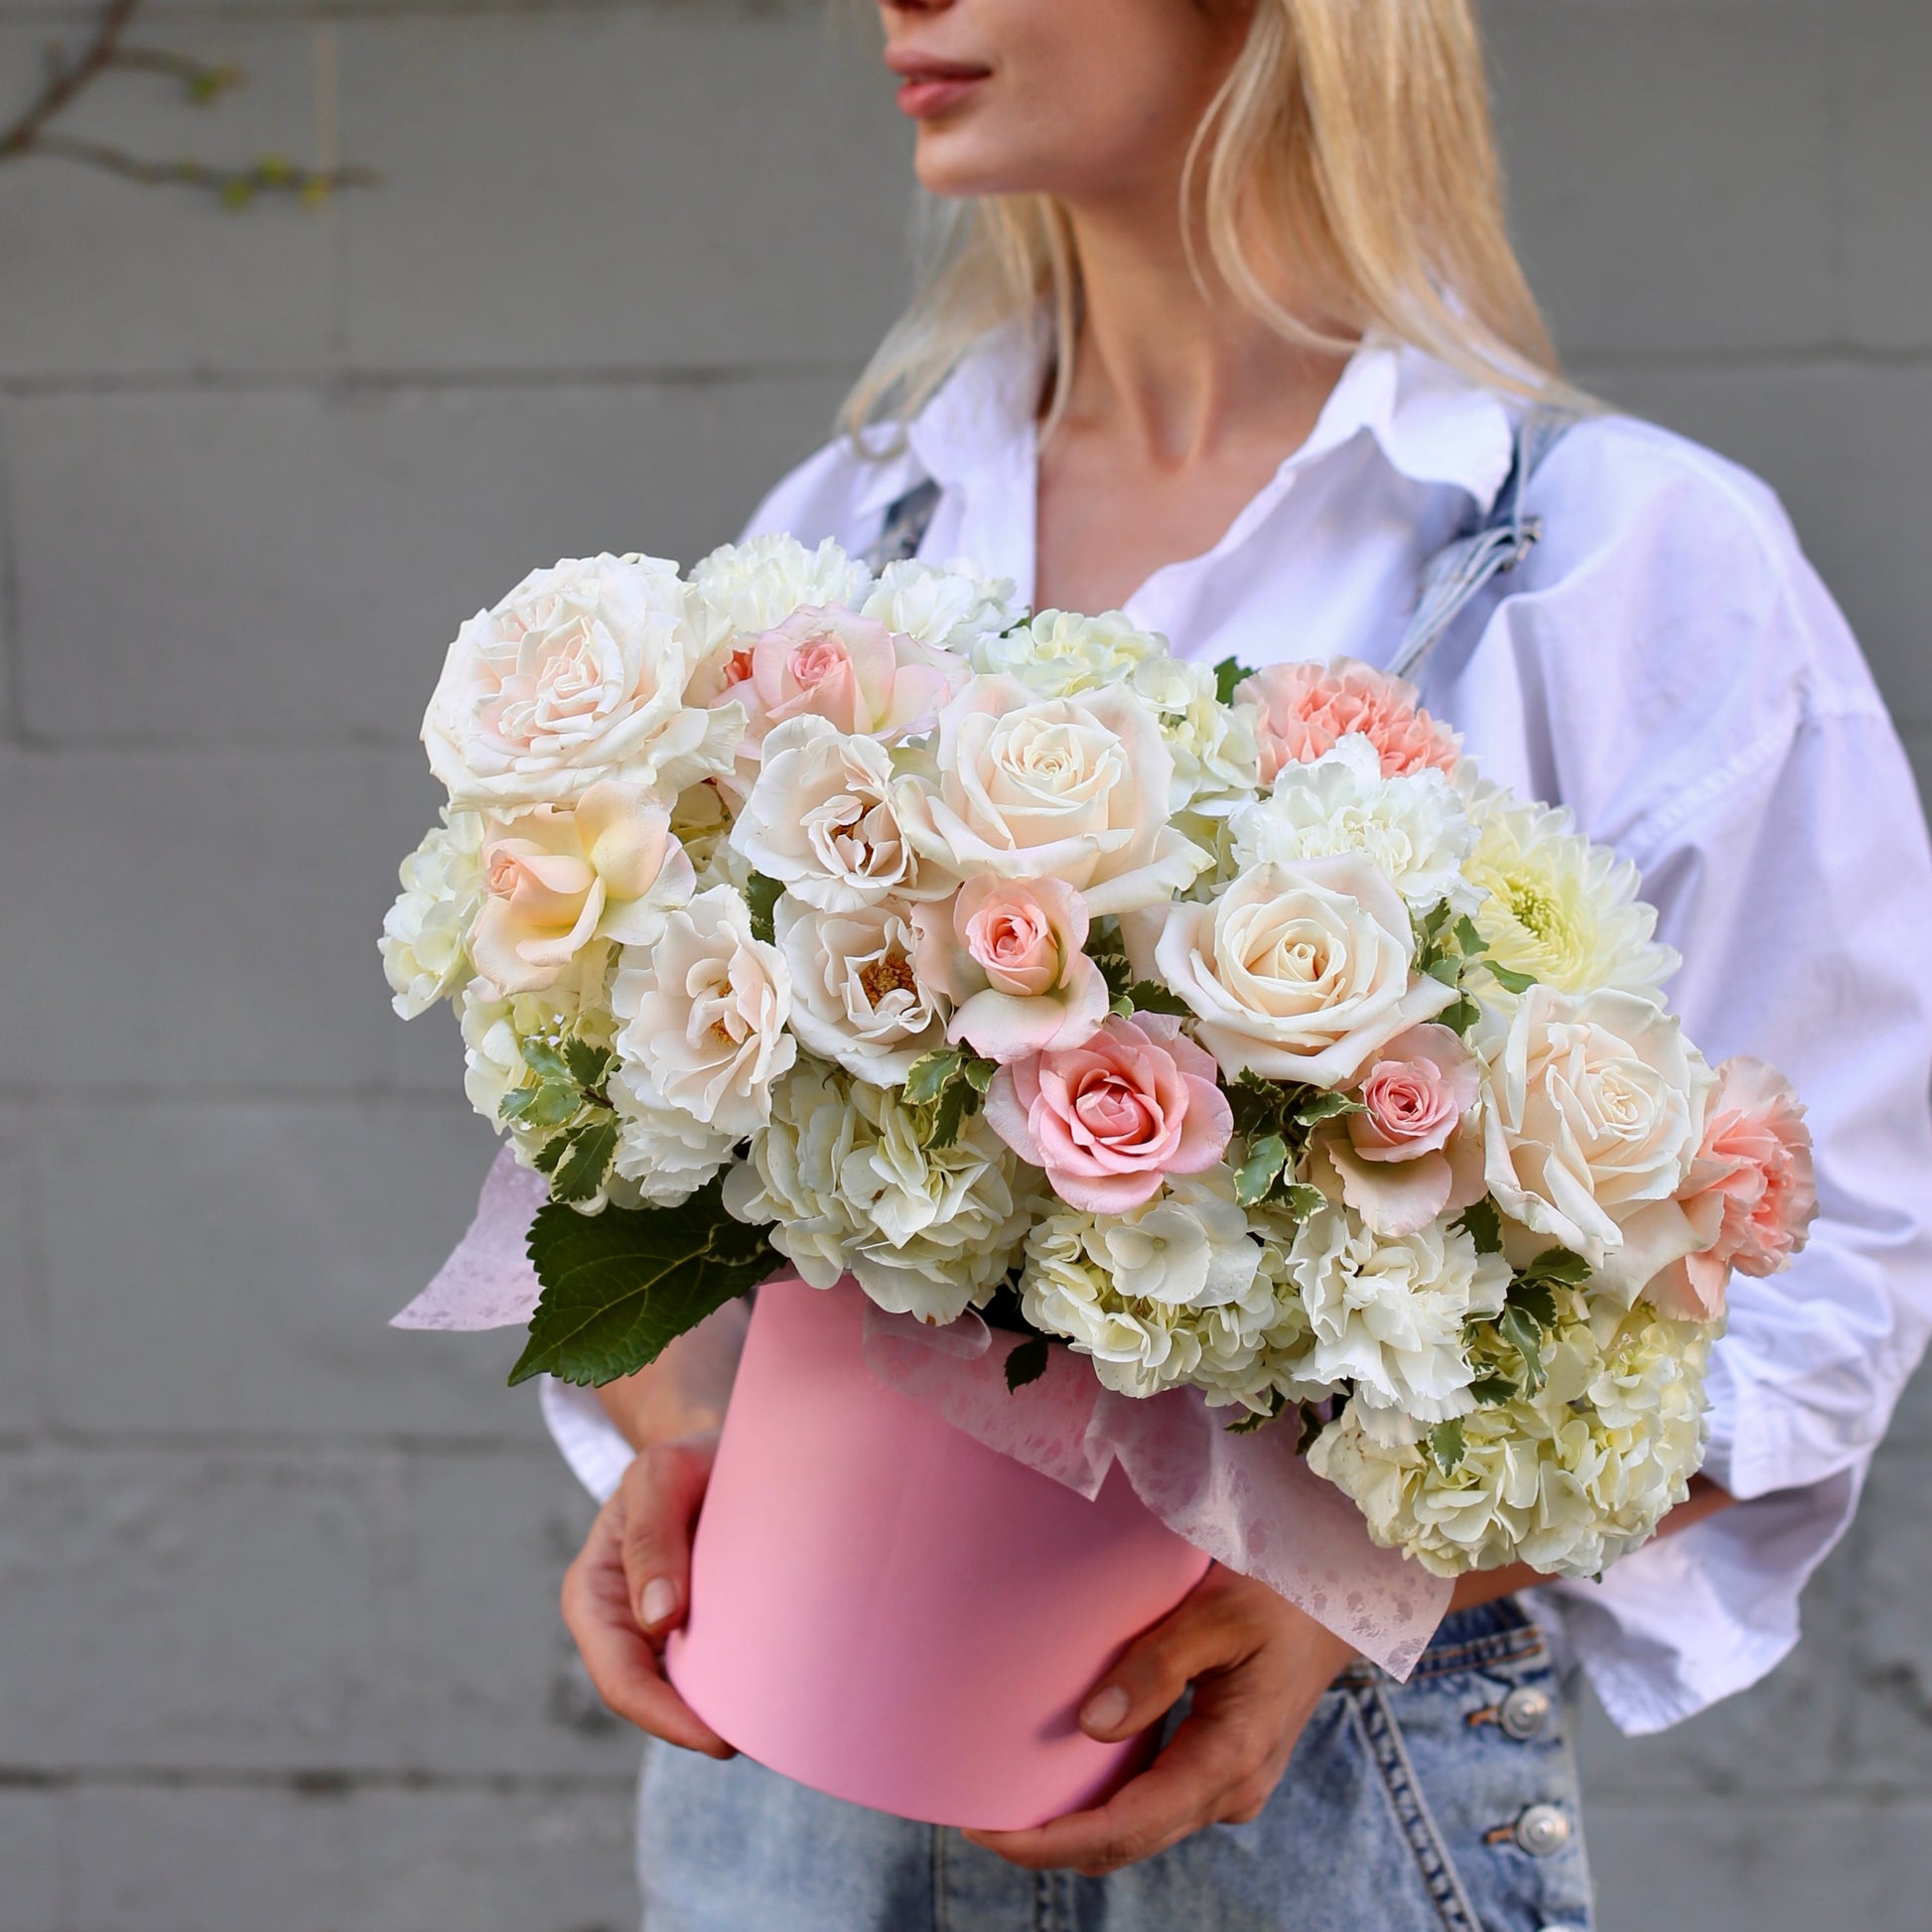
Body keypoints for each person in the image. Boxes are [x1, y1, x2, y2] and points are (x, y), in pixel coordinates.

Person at [541, 3, 1932, 1927]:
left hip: (1319, 1797)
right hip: (789, 1792)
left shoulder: (1613, 557)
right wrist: (679, 1460)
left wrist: (1354, 1581)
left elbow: (1825, 1263)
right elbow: (626, 1150)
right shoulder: (852, 540)